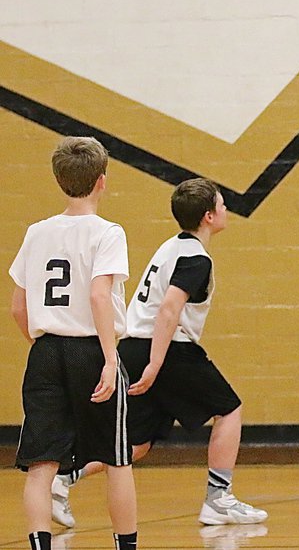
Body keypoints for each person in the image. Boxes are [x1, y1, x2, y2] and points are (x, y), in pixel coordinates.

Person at [66, 177, 267, 526]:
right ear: (208, 216)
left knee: (137, 443)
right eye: (221, 204)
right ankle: (219, 498)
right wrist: (155, 364)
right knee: (230, 409)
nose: (225, 210)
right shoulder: (195, 258)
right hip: (166, 350)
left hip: (132, 345)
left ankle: (63, 478)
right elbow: (169, 310)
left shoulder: (170, 247)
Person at [9, 136, 137, 550]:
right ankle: (127, 546)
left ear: (58, 180)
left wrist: (44, 343)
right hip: (91, 348)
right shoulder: (108, 232)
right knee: (117, 458)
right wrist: (106, 357)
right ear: (102, 181)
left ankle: (39, 545)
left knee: (41, 464)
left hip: (45, 351)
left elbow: (16, 308)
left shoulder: (37, 232)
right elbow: (100, 296)